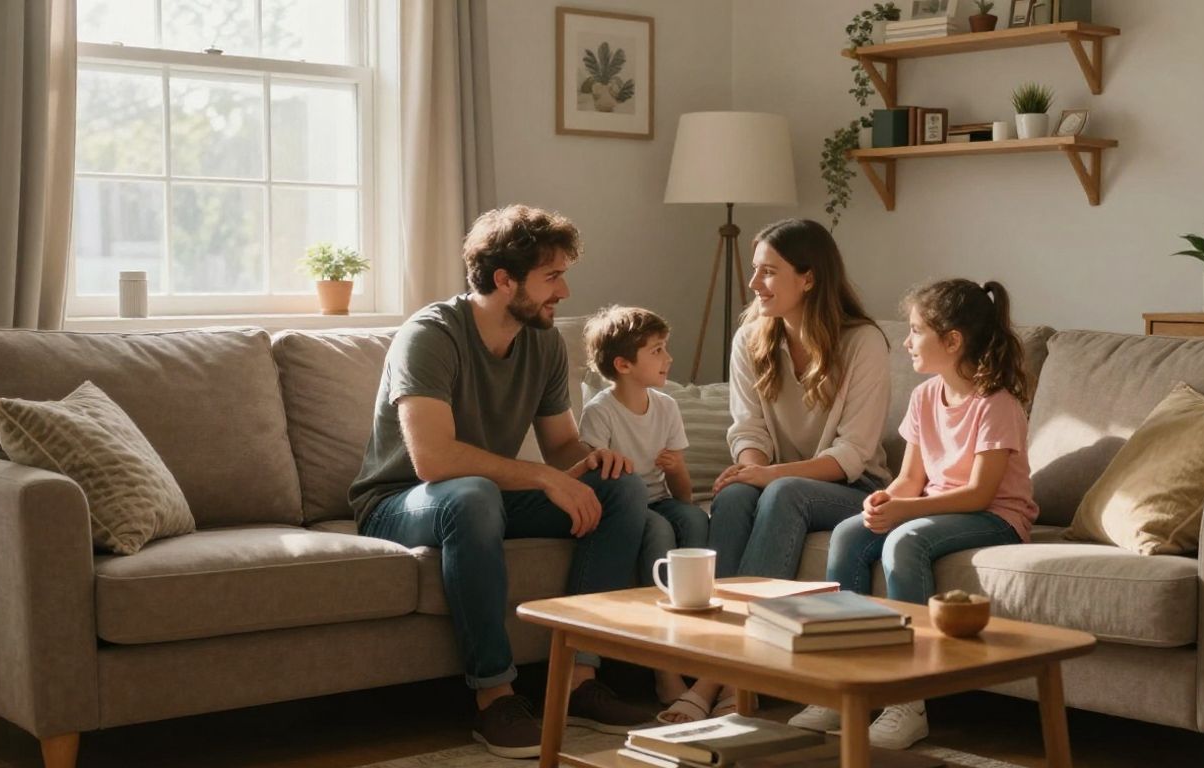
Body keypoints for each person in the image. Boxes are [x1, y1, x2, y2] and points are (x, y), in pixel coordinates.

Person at [348, 205, 653, 759]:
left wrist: (594, 461)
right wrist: (543, 477)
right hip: (398, 502)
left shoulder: (543, 341)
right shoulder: (431, 335)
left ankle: (579, 682)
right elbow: (433, 460)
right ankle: (495, 697)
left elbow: (561, 444)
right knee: (471, 494)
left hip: (485, 497)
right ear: (504, 280)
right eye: (552, 276)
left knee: (622, 492)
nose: (564, 290)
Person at [796, 278, 1038, 750]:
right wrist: (886, 500)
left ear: (952, 341)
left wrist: (908, 511)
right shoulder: (925, 397)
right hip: (944, 507)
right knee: (849, 534)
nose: (905, 341)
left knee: (907, 541)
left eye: (915, 331)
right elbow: (909, 478)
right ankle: (844, 681)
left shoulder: (997, 404)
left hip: (997, 517)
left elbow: (979, 493)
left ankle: (910, 701)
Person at [672, 218, 891, 723]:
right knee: (731, 496)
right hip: (783, 482)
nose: (754, 285)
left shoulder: (864, 343)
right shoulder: (751, 338)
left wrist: (769, 477)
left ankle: (716, 673)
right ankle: (730, 673)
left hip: (853, 486)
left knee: (783, 491)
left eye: (768, 272)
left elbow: (853, 453)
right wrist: (751, 470)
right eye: (755, 271)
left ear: (809, 278)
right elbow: (748, 429)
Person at [578, 305, 710, 713]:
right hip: (628, 508)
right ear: (623, 364)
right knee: (658, 531)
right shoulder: (600, 413)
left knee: (692, 519)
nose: (668, 359)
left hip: (663, 499)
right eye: (656, 350)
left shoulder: (667, 407)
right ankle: (663, 669)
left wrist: (677, 469)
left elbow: (684, 498)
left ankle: (696, 641)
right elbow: (593, 483)